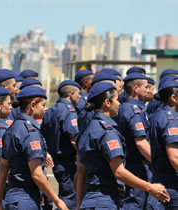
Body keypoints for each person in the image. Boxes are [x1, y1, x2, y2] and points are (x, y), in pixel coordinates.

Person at [76, 82, 170, 210]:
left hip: (90, 200)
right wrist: (150, 187)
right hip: (105, 201)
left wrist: (78, 205)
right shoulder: (107, 132)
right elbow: (119, 171)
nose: (119, 103)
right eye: (116, 99)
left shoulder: (89, 128)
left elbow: (81, 171)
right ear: (107, 103)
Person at [0, 86, 68, 210]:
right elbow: (37, 174)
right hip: (26, 199)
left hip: (13, 197)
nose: (45, 109)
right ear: (32, 105)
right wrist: (58, 201)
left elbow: (3, 169)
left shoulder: (12, 128)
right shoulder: (30, 132)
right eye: (43, 105)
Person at [116, 73, 158, 209]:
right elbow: (141, 143)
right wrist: (160, 162)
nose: (148, 90)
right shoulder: (133, 110)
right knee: (135, 204)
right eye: (146, 87)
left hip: (134, 165)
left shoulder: (132, 108)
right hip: (136, 167)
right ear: (135, 88)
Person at [42, 80, 80, 209]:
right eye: (78, 94)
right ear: (71, 93)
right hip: (69, 162)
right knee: (71, 199)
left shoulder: (50, 111)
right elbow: (74, 139)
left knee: (67, 195)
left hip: (58, 162)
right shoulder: (69, 110)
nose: (79, 97)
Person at [149, 81, 178, 209]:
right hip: (170, 181)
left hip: (161, 177)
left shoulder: (158, 115)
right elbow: (174, 157)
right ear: (173, 98)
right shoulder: (170, 119)